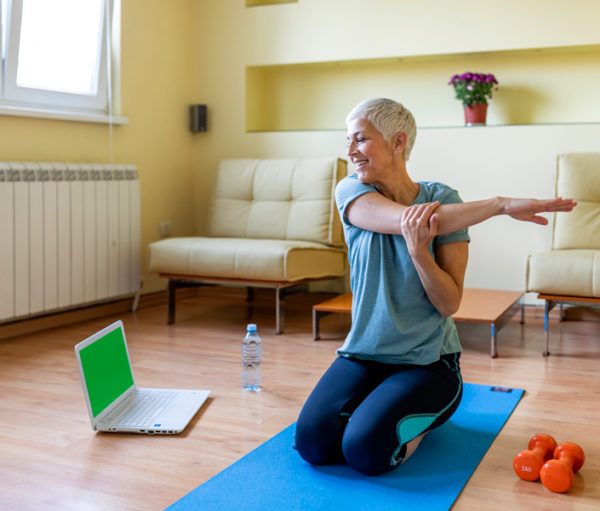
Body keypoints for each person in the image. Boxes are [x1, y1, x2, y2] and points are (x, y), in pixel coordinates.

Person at [294, 98, 576, 476]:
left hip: (427, 364)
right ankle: (381, 414)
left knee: (365, 452)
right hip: (363, 356)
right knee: (312, 444)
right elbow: (409, 220)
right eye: (348, 140)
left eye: (360, 140)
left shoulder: (443, 199)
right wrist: (500, 204)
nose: (350, 152)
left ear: (397, 143)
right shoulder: (351, 191)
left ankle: (426, 423)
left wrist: (419, 253)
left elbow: (448, 304)